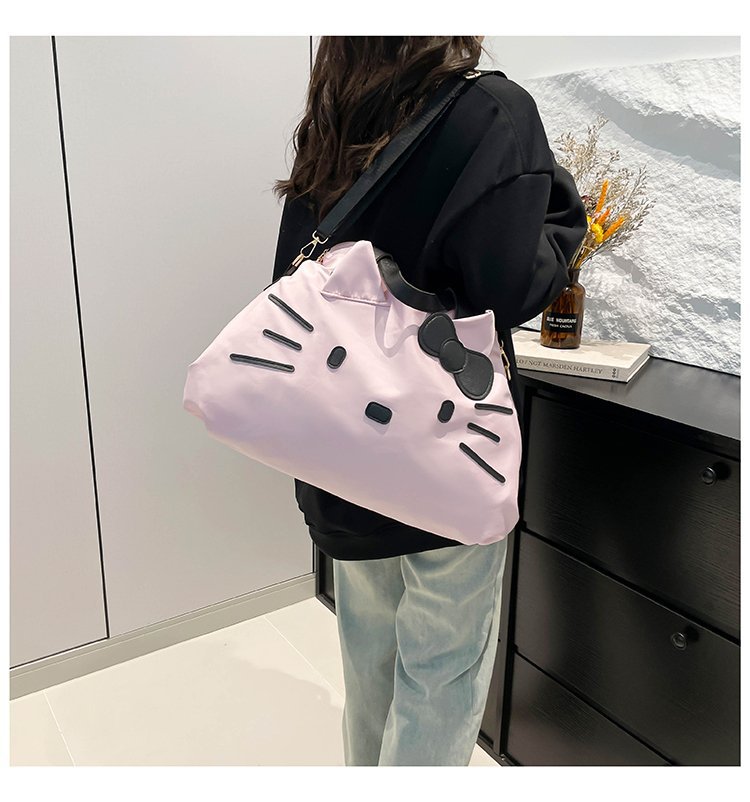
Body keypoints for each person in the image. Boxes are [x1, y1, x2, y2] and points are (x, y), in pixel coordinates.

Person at [271, 36, 588, 766]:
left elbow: (296, 277)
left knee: (369, 659)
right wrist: (562, 215)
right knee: (440, 675)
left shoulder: (332, 119)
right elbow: (507, 288)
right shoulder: (494, 110)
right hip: (446, 447)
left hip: (343, 448)